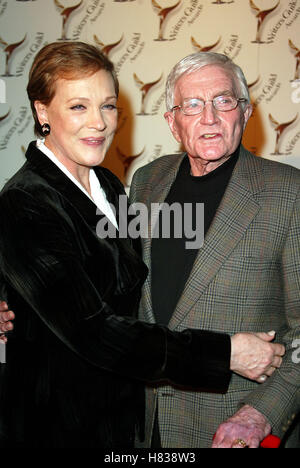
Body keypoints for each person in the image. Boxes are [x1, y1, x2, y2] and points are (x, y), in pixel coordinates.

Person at [0, 43, 285, 448]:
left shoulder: (112, 186)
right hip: (58, 424)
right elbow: (93, 331)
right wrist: (223, 354)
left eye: (108, 106)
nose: (99, 124)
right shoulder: (26, 200)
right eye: (79, 107)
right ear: (42, 112)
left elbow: (124, 283)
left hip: (124, 421)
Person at [129, 52, 300, 448]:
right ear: (172, 122)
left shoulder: (289, 193)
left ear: (245, 112)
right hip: (145, 424)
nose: (208, 118)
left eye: (223, 101)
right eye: (191, 105)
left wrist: (260, 415)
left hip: (232, 429)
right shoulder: (146, 182)